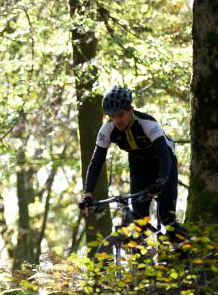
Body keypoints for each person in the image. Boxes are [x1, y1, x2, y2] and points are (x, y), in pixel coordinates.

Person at [79, 85, 184, 238]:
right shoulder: (107, 130)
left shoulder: (147, 123)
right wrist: (88, 193)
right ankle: (142, 258)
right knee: (139, 219)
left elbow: (164, 155)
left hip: (163, 164)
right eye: (112, 116)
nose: (117, 120)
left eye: (120, 114)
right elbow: (96, 162)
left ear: (130, 110)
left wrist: (161, 180)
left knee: (167, 218)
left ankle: (186, 251)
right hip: (139, 167)